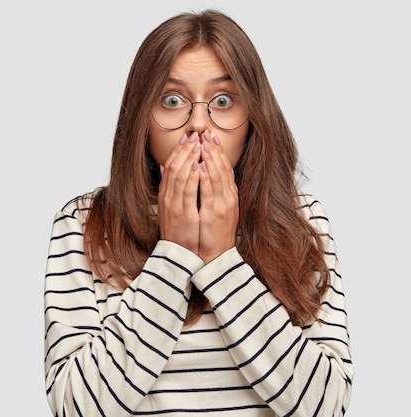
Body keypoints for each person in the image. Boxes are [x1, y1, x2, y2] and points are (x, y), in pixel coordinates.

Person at [44, 9, 353, 417]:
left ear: (253, 118)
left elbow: (326, 407)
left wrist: (222, 260)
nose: (199, 125)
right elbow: (76, 409)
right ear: (141, 118)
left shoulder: (302, 221)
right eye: (172, 101)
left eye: (223, 101)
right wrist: (172, 253)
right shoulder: (85, 224)